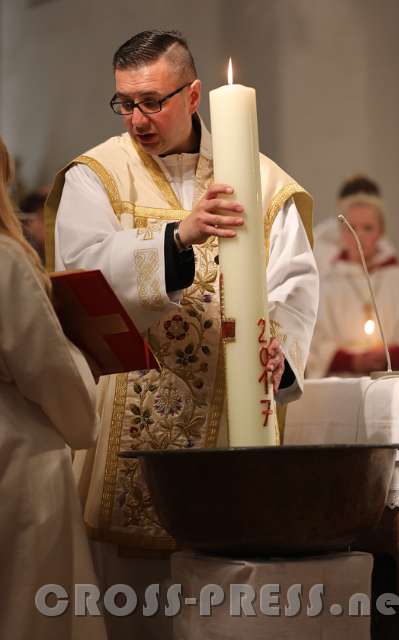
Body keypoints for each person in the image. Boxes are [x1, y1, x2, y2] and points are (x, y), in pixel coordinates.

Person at [45, 29, 318, 638]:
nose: (136, 118)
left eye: (152, 101)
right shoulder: (98, 176)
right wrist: (175, 238)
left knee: (229, 609)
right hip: (129, 433)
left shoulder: (263, 181)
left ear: (194, 95)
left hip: (231, 424)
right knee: (130, 612)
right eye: (124, 102)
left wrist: (282, 352)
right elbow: (79, 276)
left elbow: (295, 290)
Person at [0, 137, 107, 639]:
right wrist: (86, 362)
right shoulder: (5, 262)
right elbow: (49, 374)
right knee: (30, 613)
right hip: (17, 462)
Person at [308, 174, 399, 378]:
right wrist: (353, 360)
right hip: (343, 388)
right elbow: (314, 345)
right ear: (340, 232)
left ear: (381, 232)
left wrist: (390, 354)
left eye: (368, 228)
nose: (359, 235)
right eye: (352, 228)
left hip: (394, 383)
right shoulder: (327, 286)